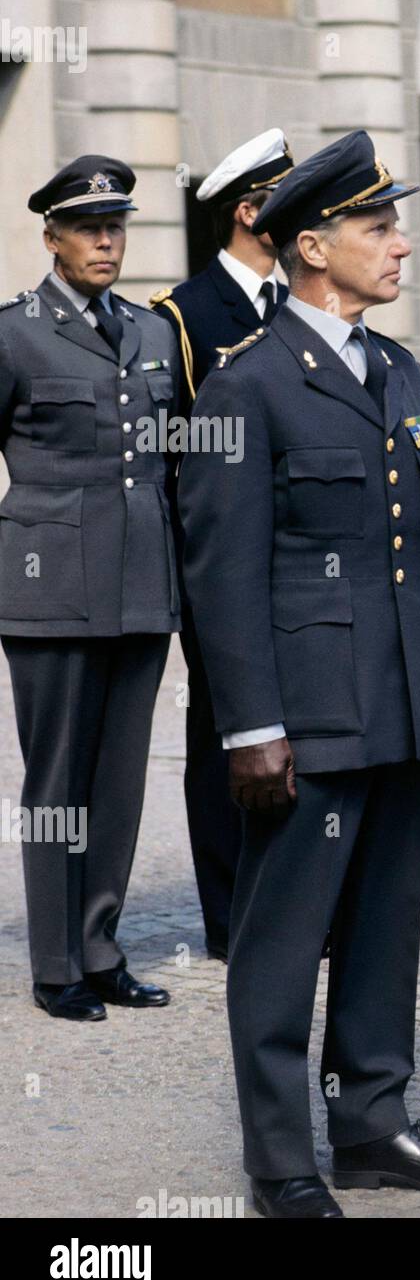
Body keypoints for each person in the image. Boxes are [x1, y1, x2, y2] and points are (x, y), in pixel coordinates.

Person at [178, 130, 420, 1218]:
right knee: (278, 945)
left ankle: (371, 1123)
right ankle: (279, 1162)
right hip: (307, 720)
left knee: (382, 927)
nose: (400, 245)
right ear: (311, 246)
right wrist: (250, 726)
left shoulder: (395, 367)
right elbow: (221, 575)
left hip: (400, 706)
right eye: (377, 227)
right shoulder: (247, 384)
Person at [0, 156, 178, 1020]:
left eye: (116, 226)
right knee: (56, 781)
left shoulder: (149, 331)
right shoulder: (14, 333)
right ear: (53, 238)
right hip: (50, 587)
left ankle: (102, 945)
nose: (105, 240)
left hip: (141, 581)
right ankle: (55, 961)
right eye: (87, 228)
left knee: (119, 779)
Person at [150, 128, 294, 963]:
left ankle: (284, 900)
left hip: (298, 559)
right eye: (284, 200)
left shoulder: (294, 307)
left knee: (291, 731)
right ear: (250, 211)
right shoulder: (186, 314)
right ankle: (227, 913)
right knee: (222, 736)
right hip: (222, 561)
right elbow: (173, 452)